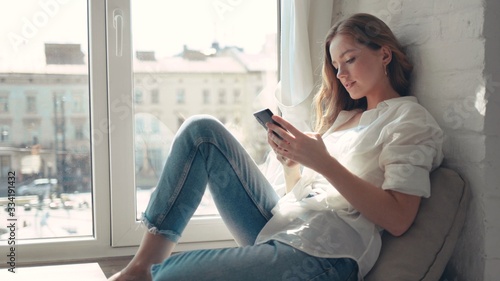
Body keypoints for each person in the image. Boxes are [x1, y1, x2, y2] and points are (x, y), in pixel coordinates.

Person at [109, 13, 443, 281]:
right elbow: (308, 196)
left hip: (325, 255)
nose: (341, 74)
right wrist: (292, 163)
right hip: (282, 227)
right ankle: (140, 265)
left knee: (171, 276)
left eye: (350, 59)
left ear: (384, 53)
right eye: (336, 66)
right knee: (201, 131)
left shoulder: (409, 120)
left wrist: (324, 162)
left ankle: (150, 274)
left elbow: (399, 218)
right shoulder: (344, 119)